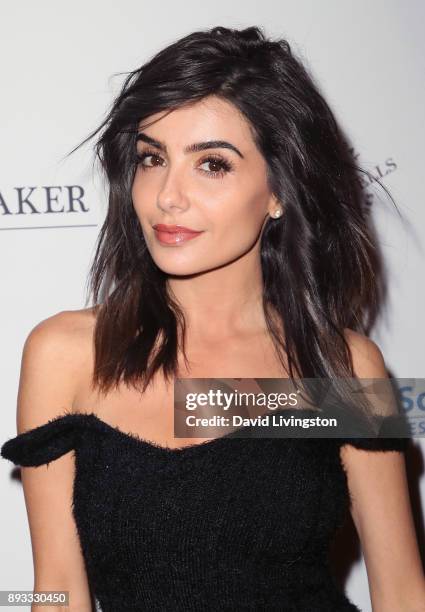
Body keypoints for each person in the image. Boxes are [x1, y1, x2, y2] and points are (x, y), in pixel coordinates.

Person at [1, 25, 425, 612]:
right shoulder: (68, 353)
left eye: (213, 165)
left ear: (278, 190)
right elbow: (56, 590)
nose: (168, 195)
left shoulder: (339, 365)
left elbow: (402, 591)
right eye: (152, 158)